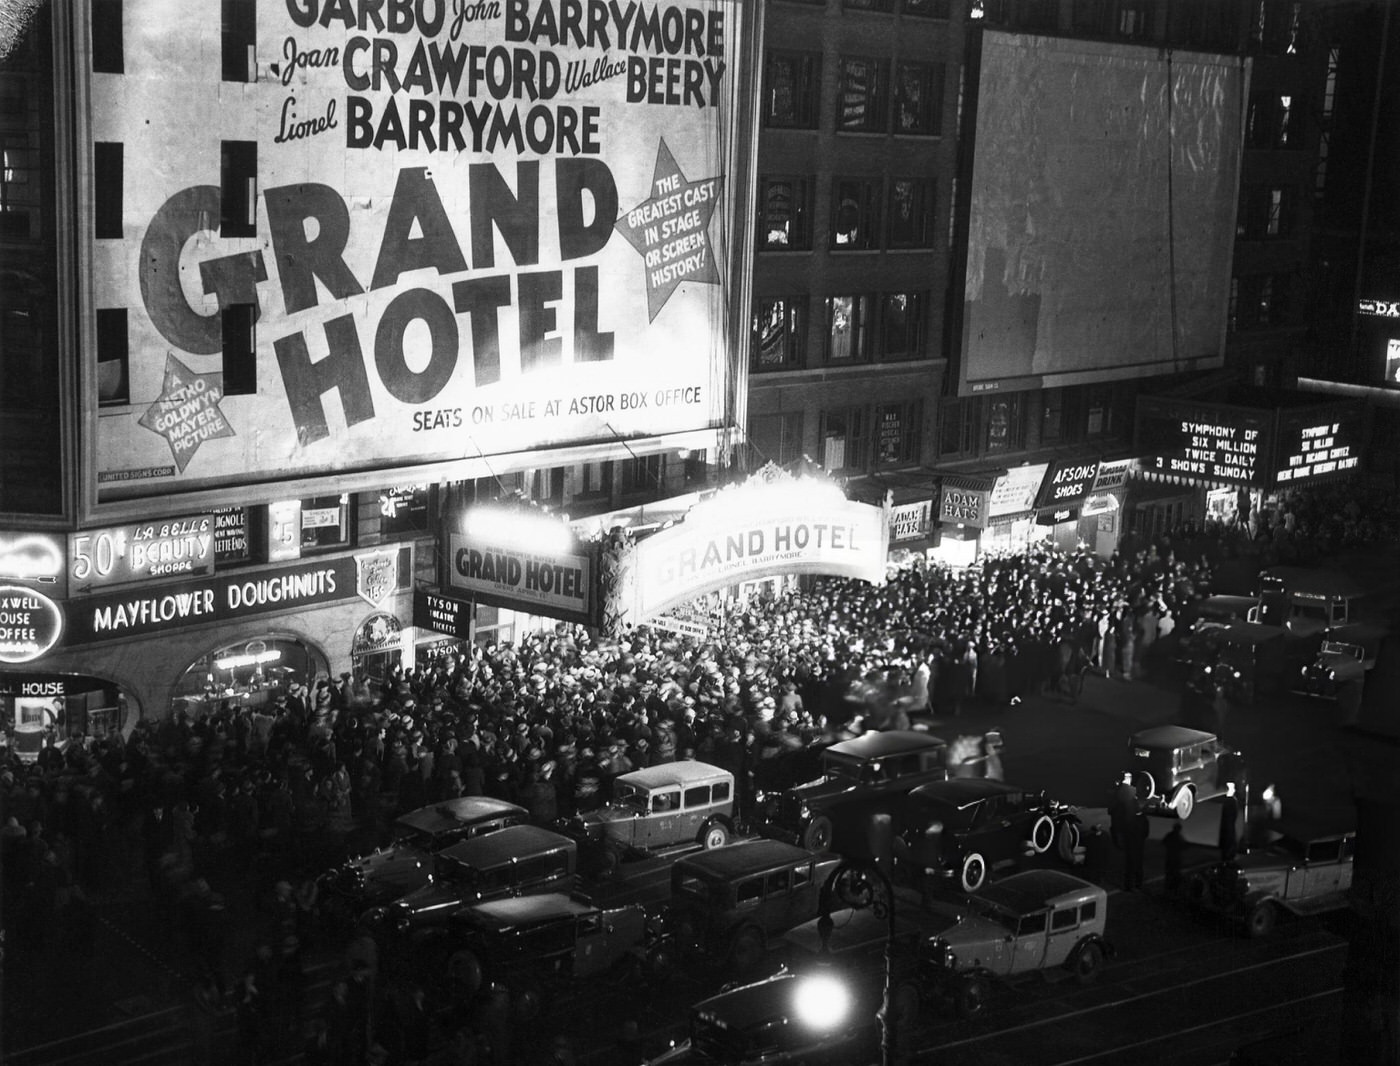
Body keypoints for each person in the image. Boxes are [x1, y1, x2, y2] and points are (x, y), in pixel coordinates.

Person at [1123, 810, 1149, 891]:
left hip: (1131, 845)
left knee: (1130, 867)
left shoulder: (1130, 819)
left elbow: (1126, 831)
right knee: (1138, 866)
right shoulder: (1144, 820)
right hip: (1139, 845)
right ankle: (1138, 885)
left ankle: (1129, 886)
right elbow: (1146, 833)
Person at [1219, 781, 1240, 863]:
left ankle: (1228, 855)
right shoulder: (1228, 800)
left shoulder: (1232, 800)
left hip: (1229, 824)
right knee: (1226, 839)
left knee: (1229, 838)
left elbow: (1234, 814)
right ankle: (1226, 856)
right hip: (1226, 824)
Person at [1162, 822, 1185, 894]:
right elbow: (1183, 846)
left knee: (1170, 874)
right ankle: (1172, 889)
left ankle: (1170, 889)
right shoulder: (1178, 836)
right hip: (1174, 858)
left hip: (1171, 858)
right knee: (1173, 874)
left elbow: (1163, 842)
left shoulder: (1171, 835)